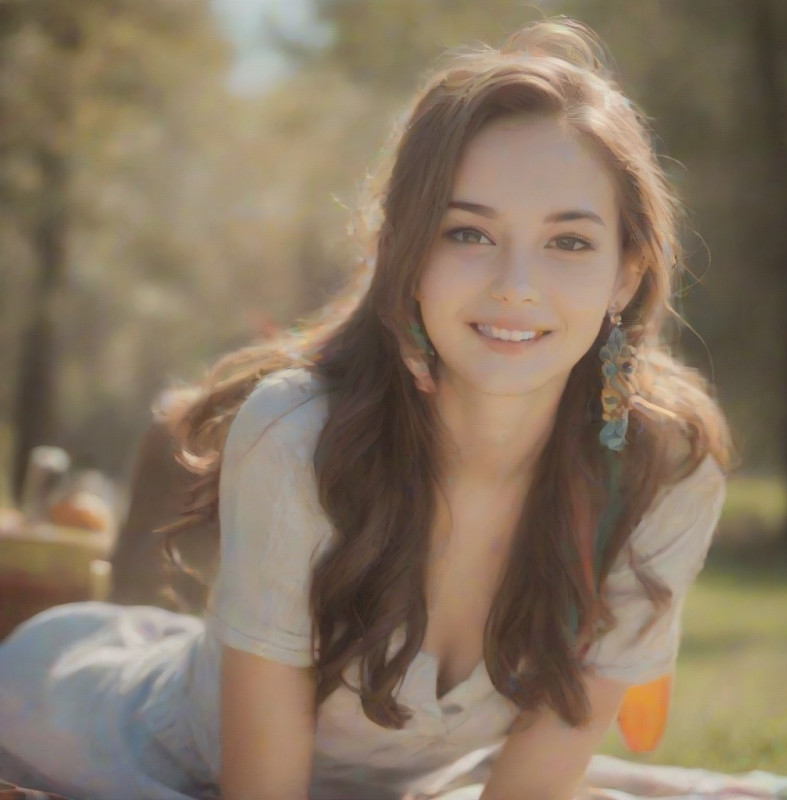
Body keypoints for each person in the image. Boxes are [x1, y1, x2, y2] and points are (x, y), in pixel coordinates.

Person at [0, 18, 731, 800]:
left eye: (570, 242)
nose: (517, 283)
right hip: (105, 736)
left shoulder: (664, 468)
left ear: (627, 273)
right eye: (469, 232)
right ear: (406, 253)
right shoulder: (299, 434)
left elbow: (540, 772)